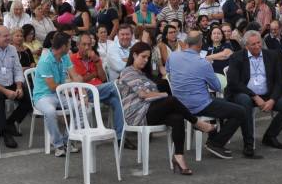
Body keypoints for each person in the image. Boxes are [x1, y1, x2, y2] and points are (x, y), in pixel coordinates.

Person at [117, 42, 216, 175]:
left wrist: (159, 95)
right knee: (171, 99)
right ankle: (197, 123)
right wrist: (163, 95)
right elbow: (144, 95)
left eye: (148, 58)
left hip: (149, 110)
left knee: (177, 118)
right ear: (134, 55)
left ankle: (179, 157)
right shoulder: (128, 72)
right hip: (137, 115)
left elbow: (151, 94)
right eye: (143, 57)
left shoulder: (143, 73)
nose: (146, 60)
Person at [167, 30, 247, 159]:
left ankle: (213, 135)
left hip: (179, 103)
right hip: (199, 104)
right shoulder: (203, 63)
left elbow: (168, 73)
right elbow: (217, 87)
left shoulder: (173, 56)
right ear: (200, 46)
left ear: (186, 43)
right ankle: (216, 143)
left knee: (224, 105)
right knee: (239, 111)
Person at [70, 33, 125, 141]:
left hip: (101, 90)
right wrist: (92, 75)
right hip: (85, 92)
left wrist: (96, 61)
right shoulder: (72, 59)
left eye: (89, 45)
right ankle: (124, 88)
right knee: (115, 85)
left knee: (117, 100)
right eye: (84, 44)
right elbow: (80, 80)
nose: (87, 47)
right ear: (78, 45)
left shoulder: (95, 58)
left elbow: (103, 78)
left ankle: (120, 137)